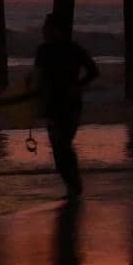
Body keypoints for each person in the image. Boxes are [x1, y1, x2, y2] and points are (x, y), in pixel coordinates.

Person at [34, 13, 99, 198]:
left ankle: (74, 185)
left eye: (47, 28)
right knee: (58, 147)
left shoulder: (72, 49)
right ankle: (72, 185)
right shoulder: (43, 50)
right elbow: (37, 78)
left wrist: (78, 85)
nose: (44, 31)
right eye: (44, 28)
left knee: (62, 144)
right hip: (53, 105)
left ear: (57, 30)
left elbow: (93, 71)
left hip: (69, 105)